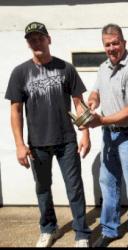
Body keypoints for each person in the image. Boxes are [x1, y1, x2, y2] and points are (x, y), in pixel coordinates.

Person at [5, 22, 91, 247]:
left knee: (75, 188)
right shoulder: (20, 72)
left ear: (48, 39)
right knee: (42, 189)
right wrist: (19, 144)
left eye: (40, 37)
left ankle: (82, 233)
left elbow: (78, 103)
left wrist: (86, 134)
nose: (36, 42)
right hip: (37, 144)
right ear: (28, 43)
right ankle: (48, 229)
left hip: (67, 141)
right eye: (32, 39)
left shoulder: (66, 68)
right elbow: (15, 111)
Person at [85, 24, 128, 248]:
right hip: (109, 135)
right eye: (107, 44)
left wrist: (101, 120)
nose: (112, 48)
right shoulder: (103, 67)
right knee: (108, 184)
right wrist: (93, 101)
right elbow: (97, 91)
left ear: (124, 43)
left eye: (115, 43)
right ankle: (110, 230)